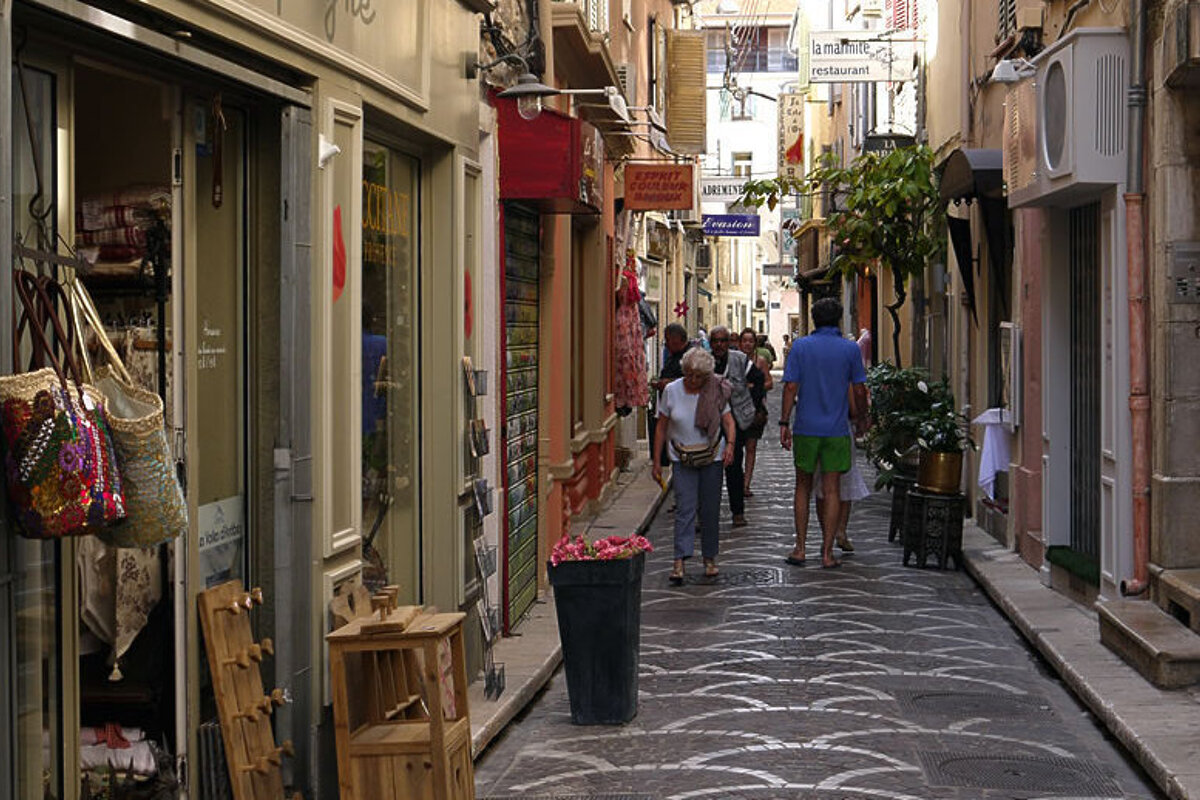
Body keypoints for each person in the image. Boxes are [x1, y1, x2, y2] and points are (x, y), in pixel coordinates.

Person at [779, 297, 869, 569]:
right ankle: (828, 553)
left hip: (806, 427)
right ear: (839, 319)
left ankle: (800, 548)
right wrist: (863, 417)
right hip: (837, 429)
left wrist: (784, 422)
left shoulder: (801, 347)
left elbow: (791, 387)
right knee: (832, 490)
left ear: (814, 319)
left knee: (802, 487)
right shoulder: (849, 349)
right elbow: (859, 389)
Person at [651, 348, 736, 584]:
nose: (694, 380)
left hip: (711, 457)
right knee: (685, 509)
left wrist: (730, 445)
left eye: (699, 376)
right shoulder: (671, 391)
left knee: (709, 510)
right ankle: (679, 560)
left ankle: (709, 558)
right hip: (682, 458)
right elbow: (661, 427)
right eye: (690, 375)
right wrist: (657, 461)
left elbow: (728, 421)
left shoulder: (714, 389)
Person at [708, 325, 757, 528]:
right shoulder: (705, 362)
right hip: (709, 423)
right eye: (715, 341)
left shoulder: (739, 359)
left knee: (734, 467)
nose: (719, 345)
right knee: (709, 470)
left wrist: (754, 408)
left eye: (723, 341)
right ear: (711, 343)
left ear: (729, 343)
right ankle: (706, 514)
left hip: (735, 421)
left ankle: (738, 512)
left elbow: (758, 381)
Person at [739, 328, 774, 498]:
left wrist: (753, 387)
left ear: (755, 344)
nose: (747, 344)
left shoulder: (760, 362)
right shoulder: (735, 361)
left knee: (751, 447)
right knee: (737, 447)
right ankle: (737, 481)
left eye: (750, 341)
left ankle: (746, 484)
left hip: (755, 408)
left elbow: (769, 382)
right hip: (737, 410)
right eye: (744, 340)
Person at [652, 323, 692, 467]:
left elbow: (693, 379)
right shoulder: (672, 355)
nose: (666, 343)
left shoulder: (690, 356)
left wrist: (669, 382)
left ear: (676, 339)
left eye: (668, 340)